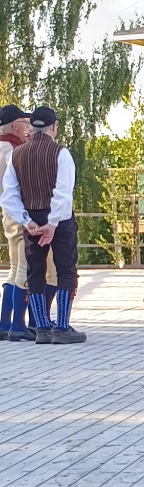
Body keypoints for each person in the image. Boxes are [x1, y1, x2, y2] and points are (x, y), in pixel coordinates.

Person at [0, 105, 85, 343]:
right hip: (58, 220)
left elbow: (9, 195)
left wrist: (27, 220)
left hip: (31, 218)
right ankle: (62, 327)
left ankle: (43, 328)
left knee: (33, 272)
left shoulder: (17, 153)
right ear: (54, 127)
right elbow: (63, 192)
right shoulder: (60, 153)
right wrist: (53, 223)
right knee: (65, 270)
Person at [0, 103, 34, 341]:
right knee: (23, 267)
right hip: (19, 209)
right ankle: (18, 325)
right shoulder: (12, 150)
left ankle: (5, 322)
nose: (28, 127)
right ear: (15, 125)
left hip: (7, 211)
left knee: (14, 267)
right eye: (25, 122)